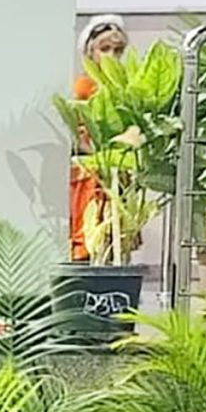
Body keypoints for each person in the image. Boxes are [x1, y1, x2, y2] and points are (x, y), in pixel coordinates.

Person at [68, 18, 128, 261]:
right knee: (88, 229)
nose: (111, 56)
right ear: (89, 52)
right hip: (90, 171)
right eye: (104, 50)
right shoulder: (82, 87)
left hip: (117, 168)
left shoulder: (122, 88)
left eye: (117, 50)